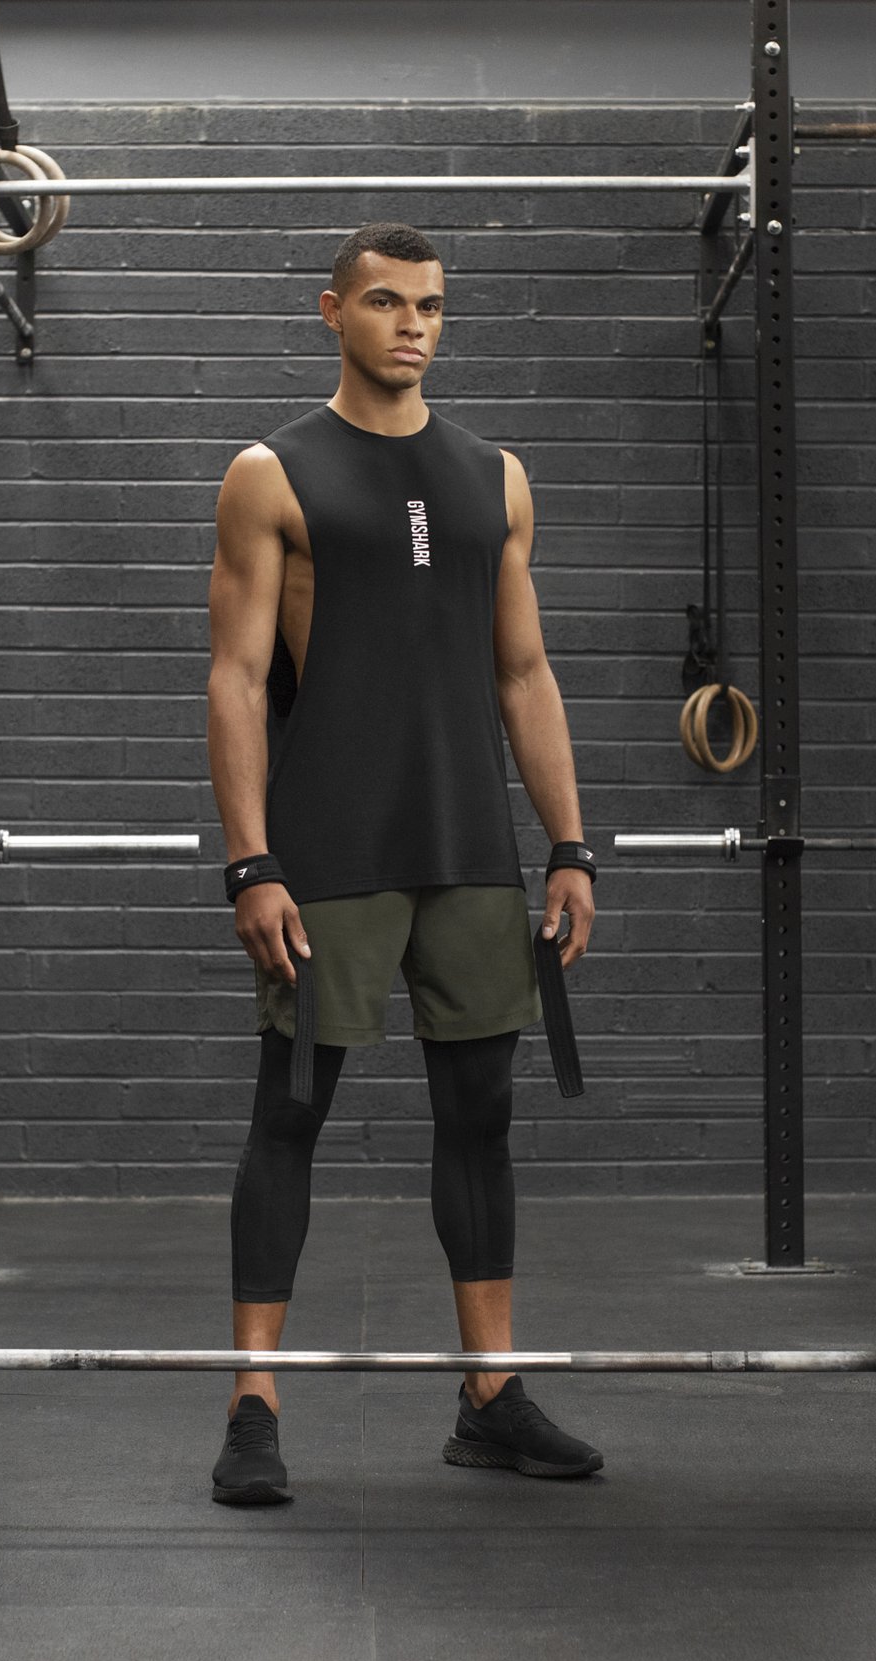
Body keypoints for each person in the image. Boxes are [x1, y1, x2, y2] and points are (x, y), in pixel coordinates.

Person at [202, 222, 602, 1507]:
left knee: (479, 1117)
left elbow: (524, 672)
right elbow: (234, 679)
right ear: (332, 312)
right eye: (384, 301)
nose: (412, 323)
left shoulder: (496, 474)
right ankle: (253, 1401)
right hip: (328, 849)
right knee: (292, 1112)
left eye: (429, 304)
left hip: (470, 851)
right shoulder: (272, 473)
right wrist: (251, 861)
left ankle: (489, 1391)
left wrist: (570, 845)